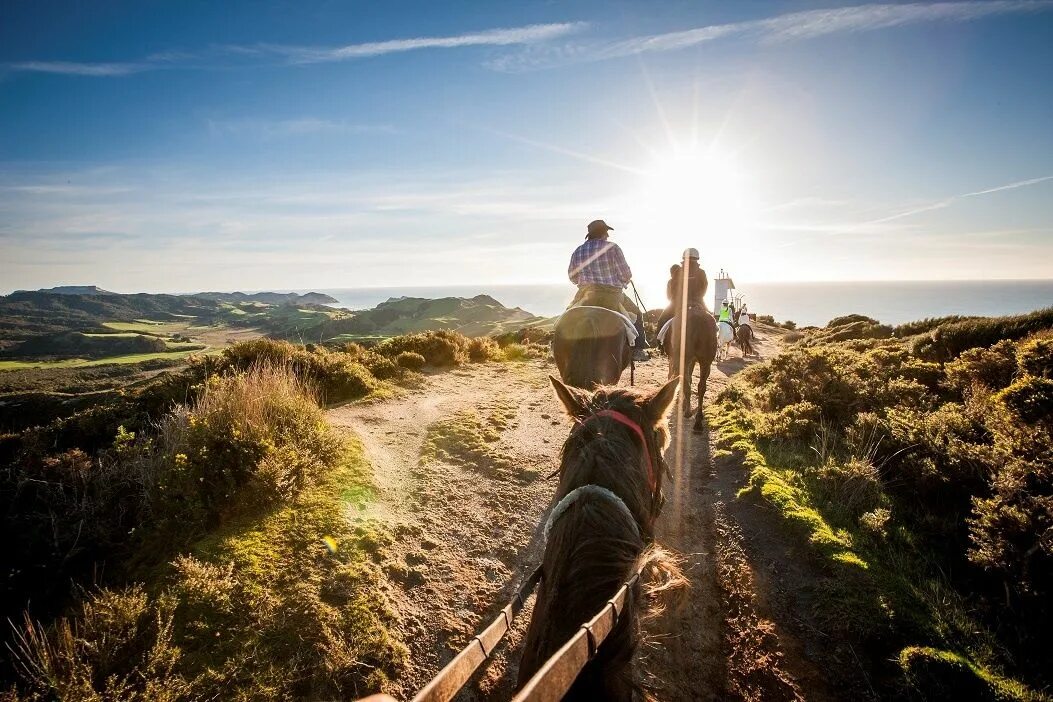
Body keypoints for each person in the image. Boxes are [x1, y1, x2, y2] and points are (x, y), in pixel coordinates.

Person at [567, 219, 649, 361]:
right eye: (606, 232)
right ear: (603, 233)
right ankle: (638, 349)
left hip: (585, 295)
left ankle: (558, 344)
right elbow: (625, 274)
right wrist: (624, 280)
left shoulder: (578, 251)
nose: (608, 236)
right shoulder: (612, 248)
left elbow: (572, 277)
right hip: (611, 295)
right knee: (637, 313)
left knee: (566, 316)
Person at [656, 248, 709, 333]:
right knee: (711, 322)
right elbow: (704, 287)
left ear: (684, 259)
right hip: (698, 301)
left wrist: (677, 298)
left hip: (678, 302)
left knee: (662, 320)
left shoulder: (678, 271)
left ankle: (660, 343)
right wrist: (697, 297)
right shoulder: (701, 272)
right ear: (697, 259)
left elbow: (673, 288)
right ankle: (714, 343)